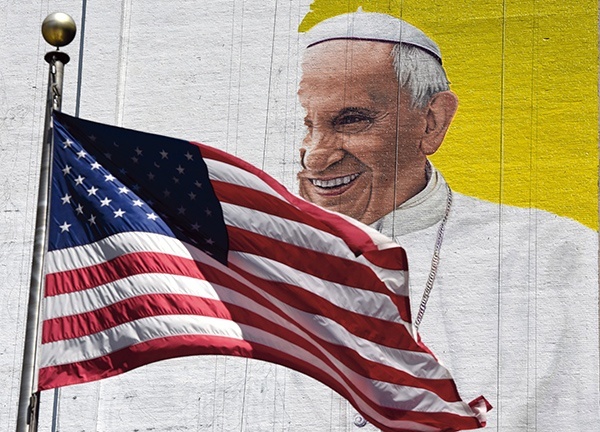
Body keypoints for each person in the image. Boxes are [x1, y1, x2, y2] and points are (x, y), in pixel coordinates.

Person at [297, 11, 599, 431]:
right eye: (301, 123)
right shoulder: (226, 253)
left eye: (351, 120)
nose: (315, 156)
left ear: (432, 121)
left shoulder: (555, 254)